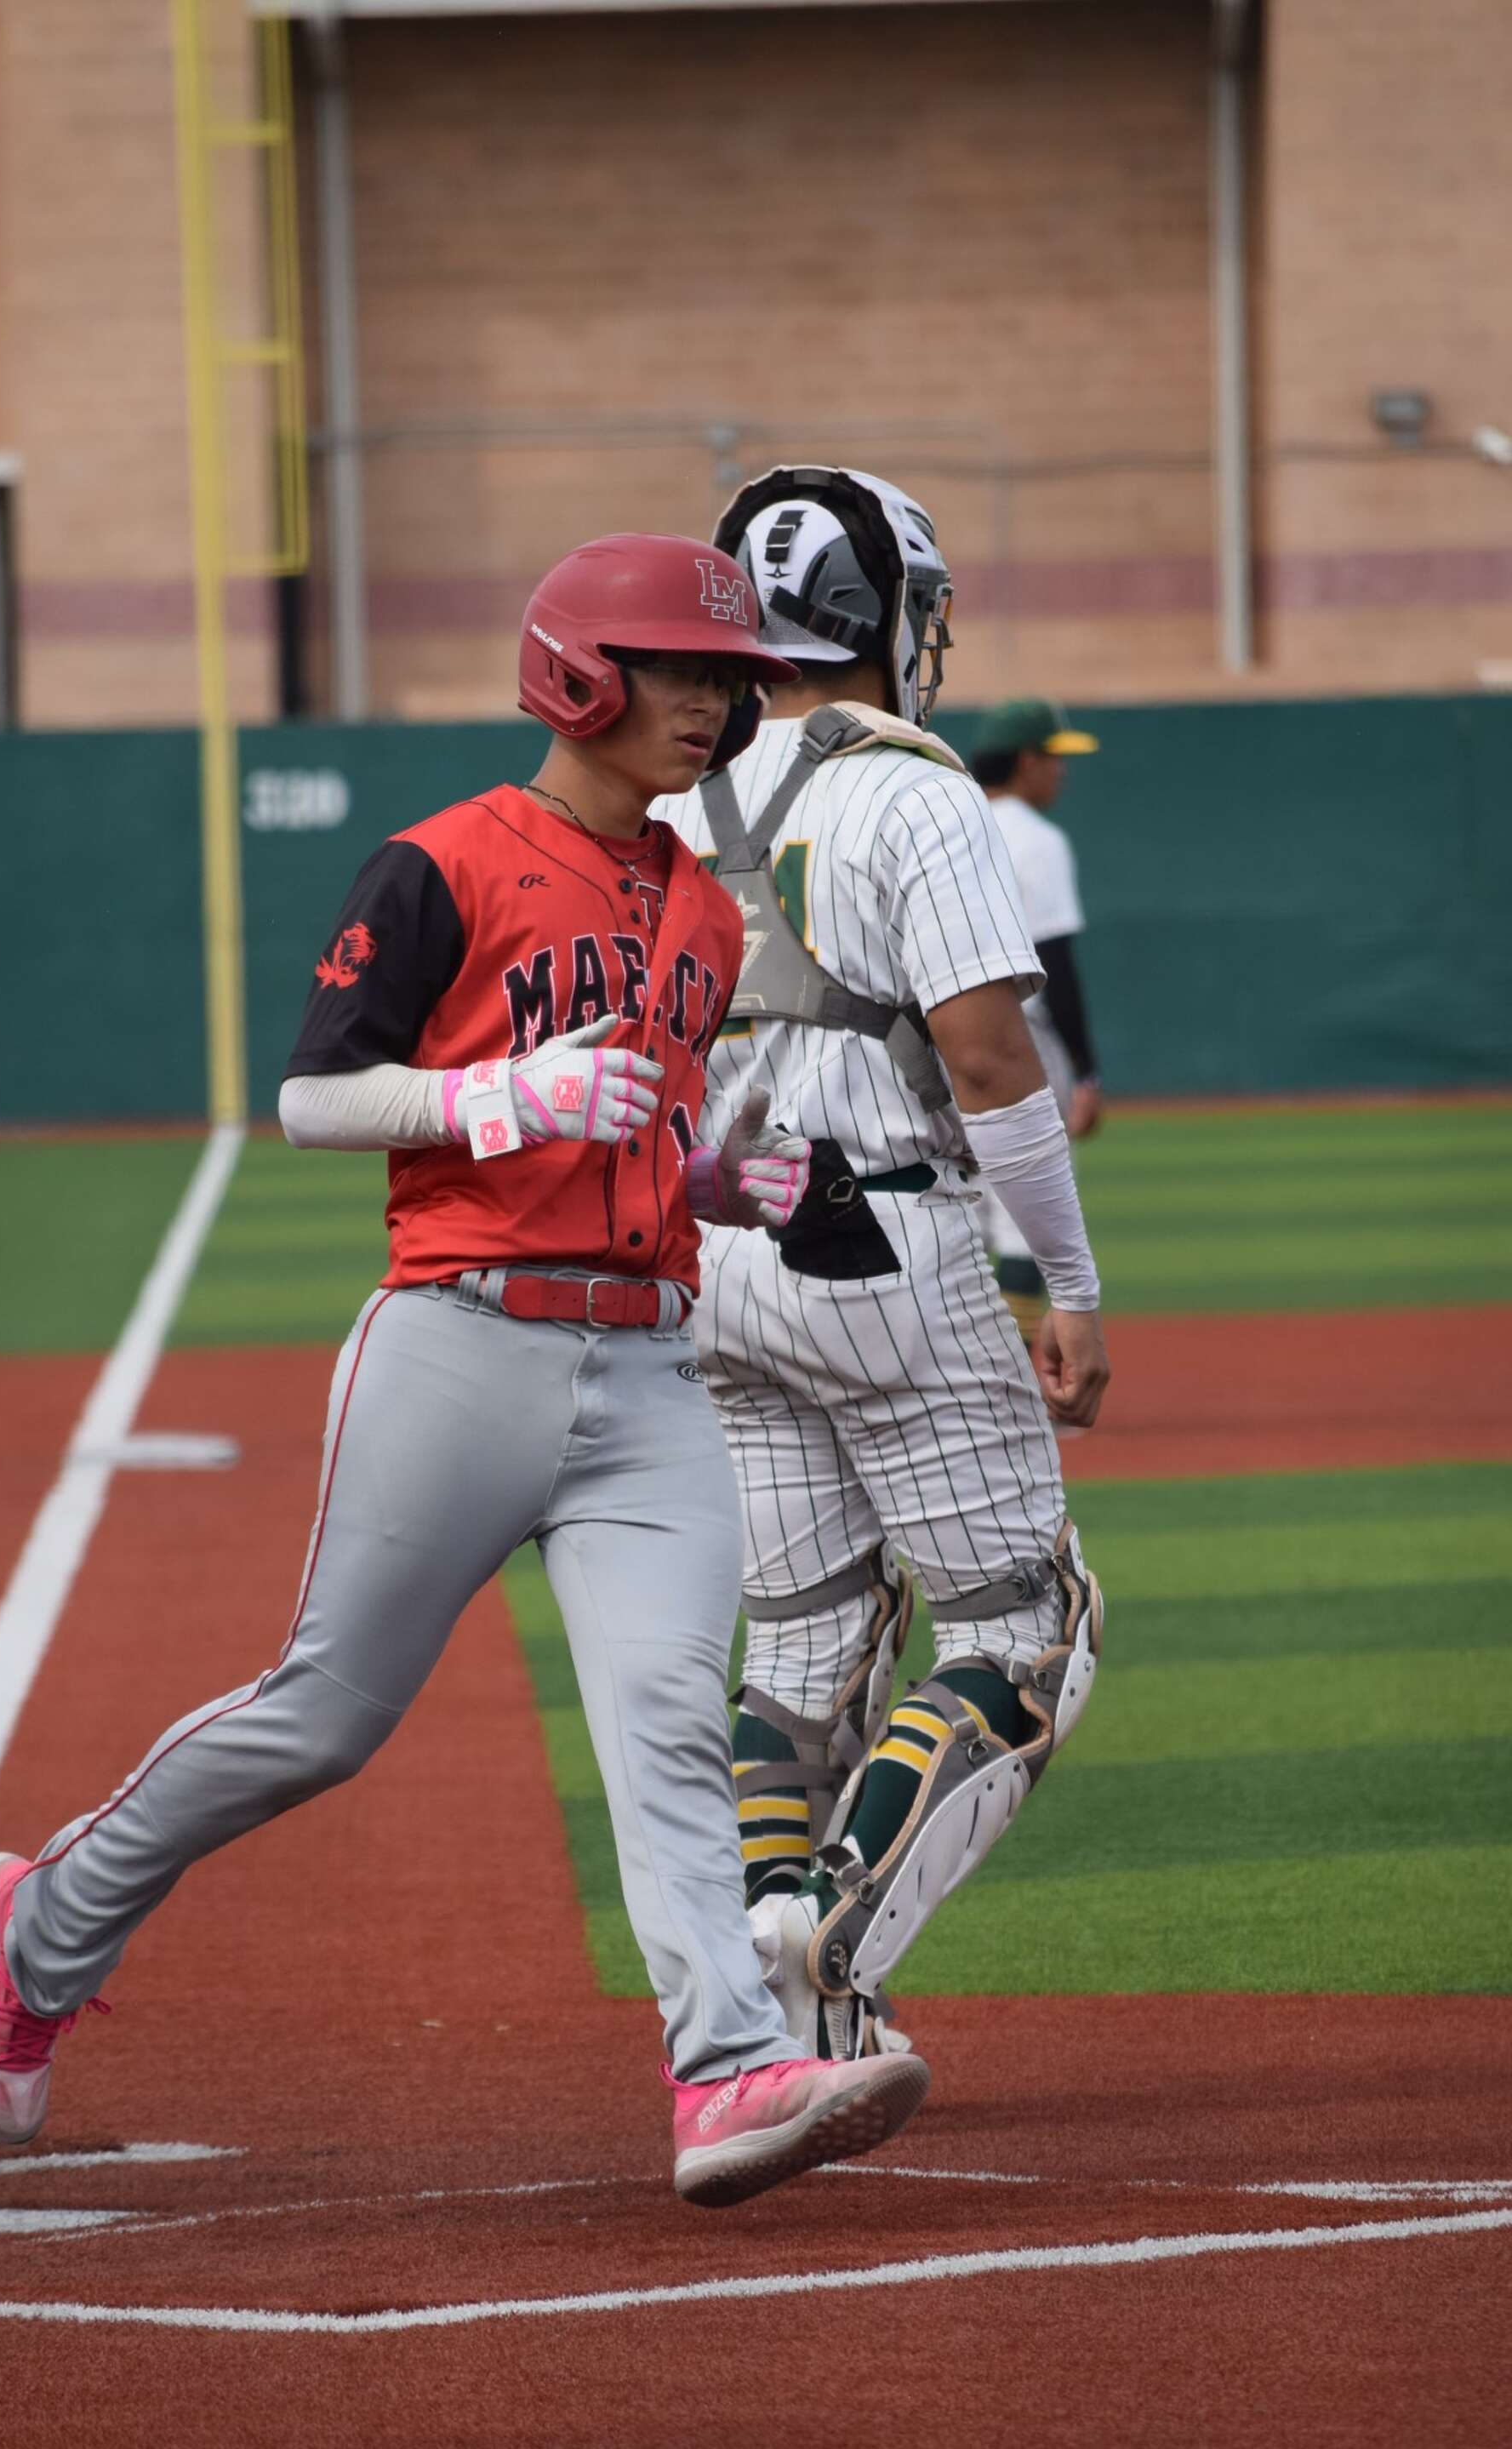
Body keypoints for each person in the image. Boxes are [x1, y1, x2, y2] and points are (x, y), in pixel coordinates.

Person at [0, 531, 931, 2209]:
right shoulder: (441, 863)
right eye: (684, 669)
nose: (713, 701)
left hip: (651, 1378)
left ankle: (726, 2072)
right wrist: (499, 1097)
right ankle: (36, 1924)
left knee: (669, 1729)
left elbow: (667, 1137)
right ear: (577, 671)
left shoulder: (702, 903)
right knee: (324, 1715)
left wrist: (777, 1191)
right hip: (459, 1340)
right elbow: (316, 1098)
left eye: (731, 679)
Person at [653, 469, 1109, 2061]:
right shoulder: (920, 791)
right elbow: (990, 1059)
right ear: (885, 616)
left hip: (715, 1247)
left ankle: (771, 1989)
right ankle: (833, 1944)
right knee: (1024, 1628)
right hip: (886, 1241)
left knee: (795, 1650)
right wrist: (1074, 1281)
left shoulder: (662, 787)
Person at [968, 699, 1104, 1343]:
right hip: (1022, 1038)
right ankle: (1019, 1377)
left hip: (933, 1044)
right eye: (1056, 759)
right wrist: (1088, 1072)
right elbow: (1057, 961)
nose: (1063, 774)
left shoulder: (952, 822)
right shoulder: (1037, 839)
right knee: (1023, 1215)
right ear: (1027, 762)